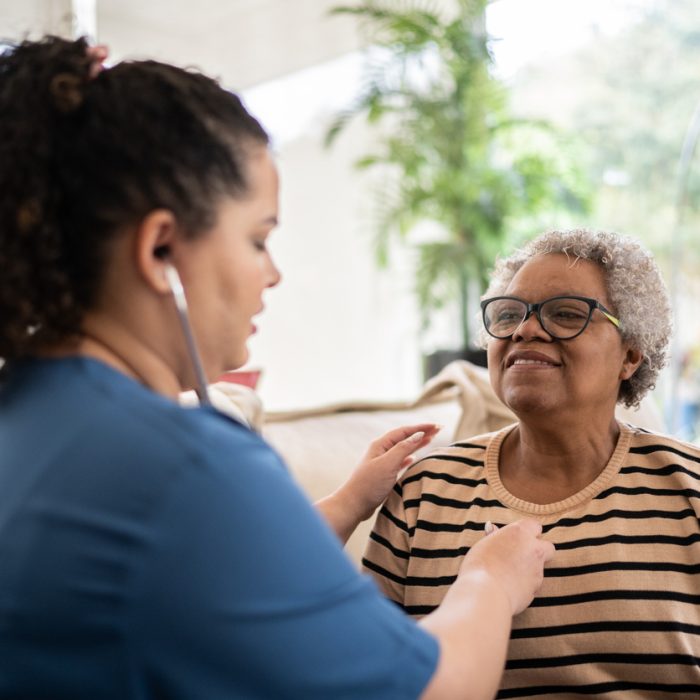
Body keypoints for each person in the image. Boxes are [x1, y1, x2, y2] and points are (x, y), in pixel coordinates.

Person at [0, 36, 554, 699]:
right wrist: (492, 581)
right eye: (258, 238)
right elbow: (434, 688)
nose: (273, 273)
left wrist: (348, 502)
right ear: (161, 249)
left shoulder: (28, 418)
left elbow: (197, 576)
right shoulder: (187, 467)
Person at [364, 228, 700, 698]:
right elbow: (366, 674)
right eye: (508, 314)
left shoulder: (690, 488)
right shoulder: (423, 492)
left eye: (565, 314)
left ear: (629, 355)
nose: (525, 329)